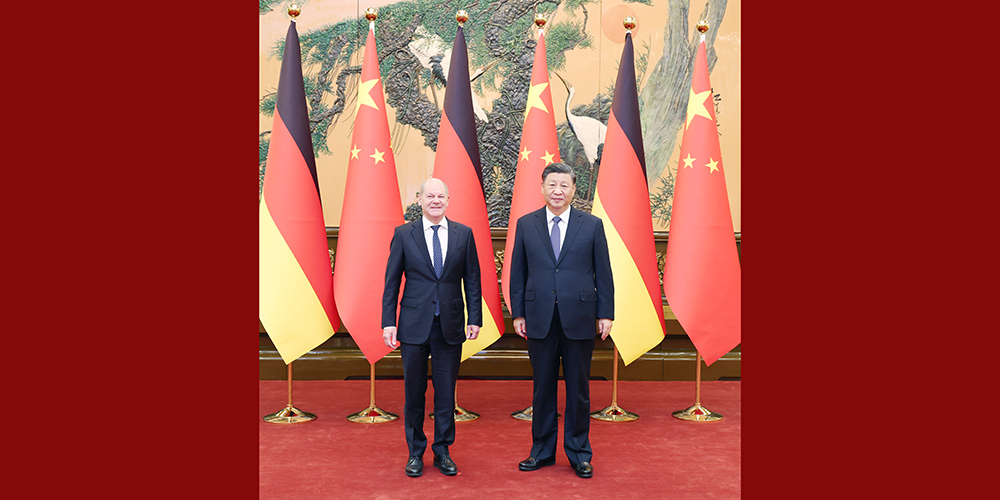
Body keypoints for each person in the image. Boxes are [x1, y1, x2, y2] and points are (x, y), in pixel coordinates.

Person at [509, 162, 613, 479]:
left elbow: (603, 272)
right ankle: (541, 452)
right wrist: (518, 312)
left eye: (564, 185)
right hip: (538, 317)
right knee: (542, 389)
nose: (558, 191)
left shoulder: (591, 225)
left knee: (579, 390)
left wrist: (606, 313)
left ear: (573, 190)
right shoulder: (526, 224)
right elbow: (517, 272)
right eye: (552, 185)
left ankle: (579, 454)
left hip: (580, 317)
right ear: (542, 188)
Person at [382, 178, 482, 478]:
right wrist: (388, 322)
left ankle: (442, 451)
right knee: (414, 393)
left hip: (449, 325)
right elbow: (391, 282)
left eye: (441, 196)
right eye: (430, 196)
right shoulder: (404, 234)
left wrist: (474, 318)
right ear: (420, 199)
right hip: (413, 325)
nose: (435, 201)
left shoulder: (464, 234)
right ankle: (415, 453)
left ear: (448, 200)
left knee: (445, 393)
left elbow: (472, 280)